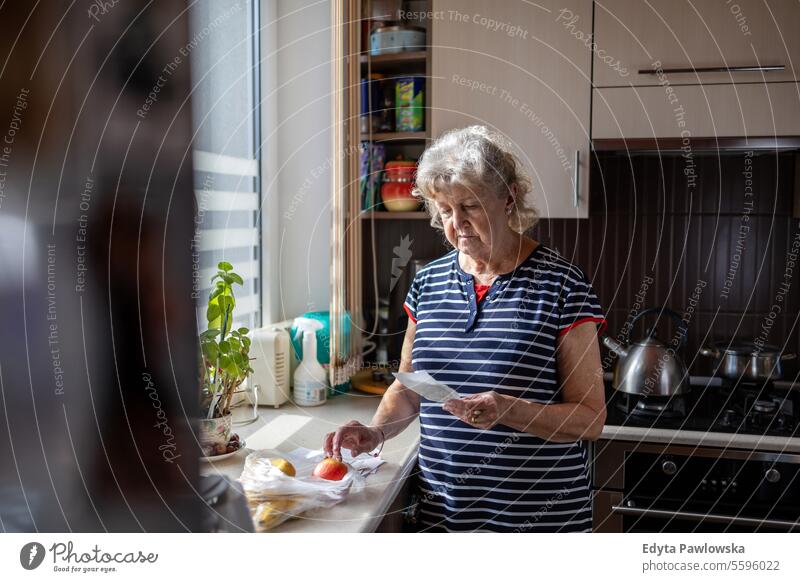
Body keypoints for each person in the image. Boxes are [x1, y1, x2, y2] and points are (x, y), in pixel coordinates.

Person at [324, 125, 607, 532]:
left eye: (470, 206)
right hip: (446, 517)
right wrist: (374, 432)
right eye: (445, 210)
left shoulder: (562, 285)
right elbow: (410, 386)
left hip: (539, 522)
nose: (457, 224)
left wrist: (507, 409)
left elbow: (590, 419)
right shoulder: (427, 282)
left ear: (508, 198)